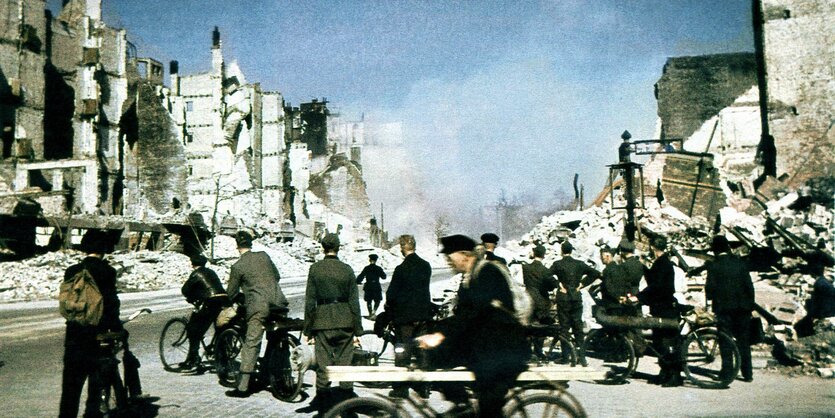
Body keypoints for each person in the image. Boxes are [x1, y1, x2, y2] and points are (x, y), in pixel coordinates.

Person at [417, 234, 528, 418]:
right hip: (487, 345)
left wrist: (440, 335)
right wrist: (434, 331)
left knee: (489, 406)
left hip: (505, 349)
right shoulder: (470, 277)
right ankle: (461, 404)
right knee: (436, 356)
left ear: (464, 255)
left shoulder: (487, 273)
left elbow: (473, 314)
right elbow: (463, 315)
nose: (448, 262)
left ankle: (466, 407)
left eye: (450, 257)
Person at [59, 230, 122, 417]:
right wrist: (117, 328)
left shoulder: (71, 271)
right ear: (103, 249)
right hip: (98, 338)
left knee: (70, 388)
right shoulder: (107, 272)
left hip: (74, 337)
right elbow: (111, 304)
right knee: (96, 386)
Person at [298, 233, 362, 414]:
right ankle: (347, 406)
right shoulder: (347, 269)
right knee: (345, 364)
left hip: (323, 322)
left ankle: (324, 408)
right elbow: (354, 301)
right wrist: (358, 329)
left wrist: (307, 329)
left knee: (323, 365)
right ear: (338, 247)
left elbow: (310, 301)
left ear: (323, 248)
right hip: (345, 321)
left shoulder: (316, 269)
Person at [225, 230, 288, 397]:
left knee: (252, 342)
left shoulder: (237, 266)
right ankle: (271, 371)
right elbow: (277, 276)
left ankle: (243, 387)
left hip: (259, 307)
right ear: (251, 244)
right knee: (275, 338)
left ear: (237, 245)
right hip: (279, 303)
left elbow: (230, 294)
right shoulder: (264, 256)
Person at [385, 234, 434, 399]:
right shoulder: (426, 266)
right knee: (422, 352)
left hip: (405, 319)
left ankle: (401, 388)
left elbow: (391, 294)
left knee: (402, 353)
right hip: (423, 316)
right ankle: (424, 387)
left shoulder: (401, 269)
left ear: (401, 248)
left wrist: (390, 307)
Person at [705, 235, 755, 382]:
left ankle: (727, 372)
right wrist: (749, 305)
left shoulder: (714, 266)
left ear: (714, 250)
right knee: (743, 340)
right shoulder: (740, 264)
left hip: (724, 309)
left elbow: (710, 289)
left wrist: (711, 297)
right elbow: (749, 287)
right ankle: (747, 373)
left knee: (725, 341)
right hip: (742, 309)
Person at [635, 236, 681, 387]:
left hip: (664, 309)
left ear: (653, 247)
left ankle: (674, 376)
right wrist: (645, 268)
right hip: (662, 308)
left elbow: (656, 287)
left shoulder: (662, 264)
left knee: (666, 343)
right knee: (660, 342)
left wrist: (639, 297)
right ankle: (665, 373)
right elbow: (654, 281)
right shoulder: (662, 263)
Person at [549, 241, 600, 366]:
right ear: (571, 251)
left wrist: (558, 285)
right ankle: (581, 358)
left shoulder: (557, 264)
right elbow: (595, 273)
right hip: (576, 298)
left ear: (562, 251)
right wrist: (581, 285)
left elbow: (547, 275)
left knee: (564, 327)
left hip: (563, 298)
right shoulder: (579, 264)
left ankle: (566, 357)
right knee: (578, 328)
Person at [179, 254, 229, 371]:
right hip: (223, 300)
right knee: (220, 328)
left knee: (193, 330)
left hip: (209, 302)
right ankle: (223, 357)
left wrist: (191, 298)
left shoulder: (196, 273)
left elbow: (185, 289)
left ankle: (193, 360)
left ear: (192, 263)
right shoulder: (211, 272)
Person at [522, 244, 558, 359]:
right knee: (541, 327)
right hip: (541, 301)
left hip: (528, 300)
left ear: (534, 253)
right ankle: (538, 351)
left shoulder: (526, 268)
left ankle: (527, 352)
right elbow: (552, 285)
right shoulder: (545, 270)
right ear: (544, 255)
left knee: (528, 326)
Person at [356, 254, 386, 319]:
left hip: (368, 286)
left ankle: (370, 313)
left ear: (369, 260)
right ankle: (374, 311)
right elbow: (384, 277)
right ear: (376, 260)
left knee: (369, 301)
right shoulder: (378, 268)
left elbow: (361, 276)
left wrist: (358, 281)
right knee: (377, 300)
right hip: (376, 286)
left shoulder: (366, 268)